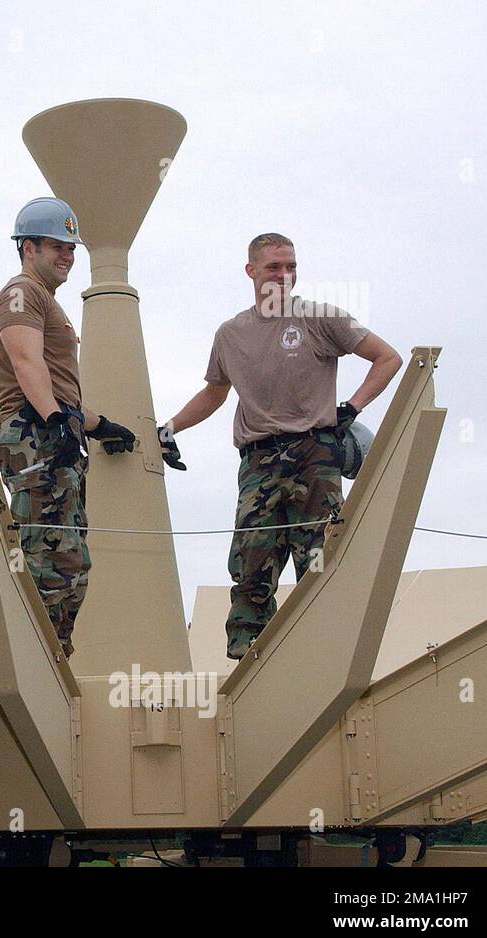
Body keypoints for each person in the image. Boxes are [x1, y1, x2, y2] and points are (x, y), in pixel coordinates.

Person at [158, 233, 403, 659]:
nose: (284, 275)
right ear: (251, 271)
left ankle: (327, 652)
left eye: (291, 266)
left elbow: (388, 357)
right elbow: (215, 393)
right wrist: (172, 426)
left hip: (315, 455)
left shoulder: (321, 318)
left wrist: (352, 406)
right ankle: (250, 652)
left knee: (321, 559)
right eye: (274, 266)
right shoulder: (230, 334)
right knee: (252, 560)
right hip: (259, 460)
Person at [0, 197, 137, 659]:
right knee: (49, 559)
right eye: (57, 246)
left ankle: (52, 654)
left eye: (71, 248)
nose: (68, 256)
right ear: (28, 248)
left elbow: (57, 389)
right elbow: (25, 360)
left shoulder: (48, 302)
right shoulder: (23, 293)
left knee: (67, 559)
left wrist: (98, 424)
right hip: (33, 435)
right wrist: (55, 421)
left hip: (48, 432)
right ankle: (37, 656)